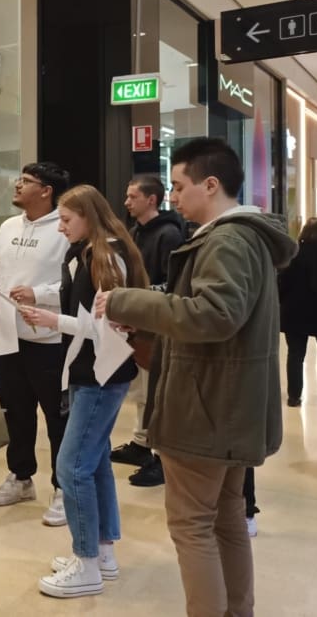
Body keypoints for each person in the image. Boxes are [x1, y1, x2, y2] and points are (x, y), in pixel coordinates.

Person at [96, 137, 296, 617]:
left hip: (207, 408)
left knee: (192, 525)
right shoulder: (242, 237)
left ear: (211, 184)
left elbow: (214, 314)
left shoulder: (227, 238)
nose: (174, 197)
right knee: (225, 519)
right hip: (227, 406)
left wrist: (126, 300)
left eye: (181, 186)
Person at [21, 185, 148, 598]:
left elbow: (105, 325)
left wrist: (51, 320)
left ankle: (87, 562)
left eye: (66, 220)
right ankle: (100, 552)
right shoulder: (95, 253)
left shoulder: (102, 256)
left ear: (88, 217)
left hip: (100, 374)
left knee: (72, 466)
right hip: (95, 372)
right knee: (91, 465)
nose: (60, 228)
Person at [0, 162, 71, 526]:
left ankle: (63, 487)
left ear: (46, 191)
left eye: (26, 182)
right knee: (16, 413)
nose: (17, 185)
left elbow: (75, 282)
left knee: (57, 418)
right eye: (18, 179)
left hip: (49, 340)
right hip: (7, 336)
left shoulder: (65, 228)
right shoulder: (8, 227)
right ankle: (21, 477)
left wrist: (40, 294)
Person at [114, 175, 185, 488]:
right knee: (143, 391)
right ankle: (142, 444)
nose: (127, 202)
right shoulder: (136, 231)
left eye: (133, 197)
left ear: (151, 200)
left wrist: (138, 298)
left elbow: (173, 284)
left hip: (157, 324)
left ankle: (160, 457)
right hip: (140, 322)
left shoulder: (169, 234)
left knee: (156, 391)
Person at [277, 217, 317, 406]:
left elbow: (283, 282)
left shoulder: (294, 253)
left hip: (294, 312)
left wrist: (281, 302)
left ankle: (294, 396)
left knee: (296, 354)